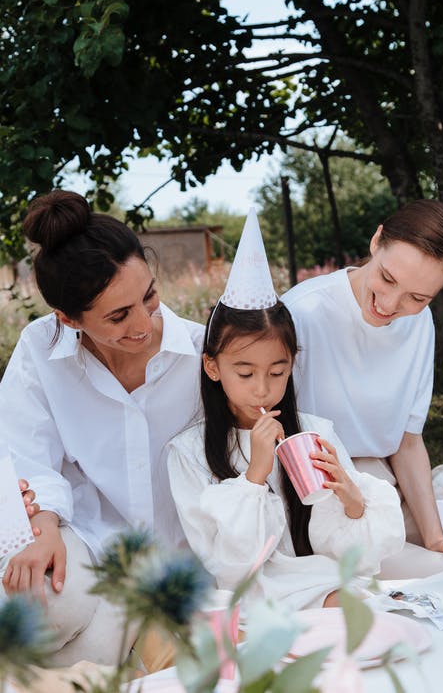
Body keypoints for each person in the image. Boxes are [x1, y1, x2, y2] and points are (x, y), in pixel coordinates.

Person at [0, 190, 204, 665]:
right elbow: (25, 452)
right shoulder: (39, 349)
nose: (145, 323)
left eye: (149, 296)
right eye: (118, 316)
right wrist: (44, 525)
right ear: (69, 319)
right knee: (34, 598)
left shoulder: (203, 353)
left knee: (85, 663)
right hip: (92, 541)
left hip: (187, 558)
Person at [167, 210, 405, 611]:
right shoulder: (189, 453)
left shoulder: (316, 432)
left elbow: (344, 555)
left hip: (320, 581)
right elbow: (229, 566)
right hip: (248, 596)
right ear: (212, 367)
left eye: (277, 372)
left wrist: (350, 498)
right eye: (245, 373)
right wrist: (255, 475)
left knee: (357, 611)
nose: (263, 388)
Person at [281, 199, 443, 577]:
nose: (389, 303)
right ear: (376, 240)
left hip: (383, 484)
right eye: (387, 278)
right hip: (317, 495)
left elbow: (407, 441)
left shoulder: (420, 325)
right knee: (440, 574)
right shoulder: (302, 314)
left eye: (418, 298)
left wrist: (435, 536)